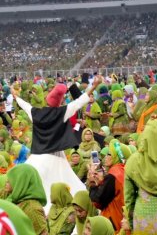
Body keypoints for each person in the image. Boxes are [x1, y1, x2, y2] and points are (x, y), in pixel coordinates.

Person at [11, 76, 102, 212]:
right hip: (56, 158)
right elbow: (78, 102)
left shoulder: (36, 113)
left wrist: (15, 96)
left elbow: (25, 105)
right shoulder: (62, 112)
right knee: (60, 186)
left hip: (37, 157)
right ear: (59, 103)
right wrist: (94, 86)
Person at [89, 140, 131, 233]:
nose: (106, 157)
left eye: (109, 154)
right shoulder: (125, 171)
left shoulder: (113, 175)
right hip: (124, 220)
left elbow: (97, 201)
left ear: (117, 156)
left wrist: (92, 182)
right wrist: (101, 182)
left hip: (114, 223)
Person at [6, 164, 48, 234]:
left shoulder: (32, 209)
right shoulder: (12, 200)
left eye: (11, 179)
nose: (7, 182)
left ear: (21, 182)